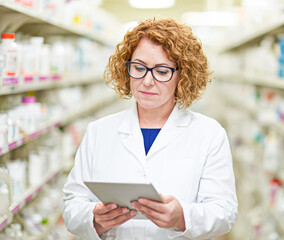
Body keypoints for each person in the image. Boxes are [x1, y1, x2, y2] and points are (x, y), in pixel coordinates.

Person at [62, 18, 238, 240]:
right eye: (139, 67)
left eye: (162, 71)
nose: (146, 81)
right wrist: (94, 218)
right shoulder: (99, 131)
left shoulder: (209, 133)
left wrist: (182, 216)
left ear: (183, 75)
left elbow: (225, 211)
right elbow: (71, 205)